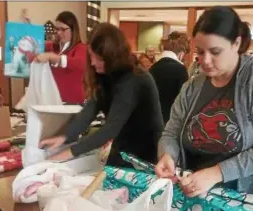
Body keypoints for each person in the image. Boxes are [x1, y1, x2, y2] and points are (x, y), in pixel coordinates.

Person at [155, 6, 253, 198]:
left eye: (215, 52)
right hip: (193, 195)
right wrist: (167, 155)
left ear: (236, 43)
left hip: (244, 201)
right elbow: (172, 132)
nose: (205, 61)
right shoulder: (192, 87)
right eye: (200, 52)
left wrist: (216, 173)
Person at [39, 23, 164, 167]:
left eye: (99, 59)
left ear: (113, 57)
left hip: (147, 151)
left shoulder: (134, 80)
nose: (92, 63)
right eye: (91, 56)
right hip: (123, 143)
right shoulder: (106, 75)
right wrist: (65, 137)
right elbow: (91, 108)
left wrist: (70, 152)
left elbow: (111, 127)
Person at [34, 11, 86, 104]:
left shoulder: (81, 48)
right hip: (52, 101)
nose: (59, 33)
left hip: (73, 103)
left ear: (73, 30)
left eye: (63, 29)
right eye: (57, 29)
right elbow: (35, 47)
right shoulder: (51, 47)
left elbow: (80, 63)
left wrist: (54, 58)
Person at [149, 31, 189, 124]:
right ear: (181, 53)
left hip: (153, 119)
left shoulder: (153, 68)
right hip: (172, 121)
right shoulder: (180, 69)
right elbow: (183, 100)